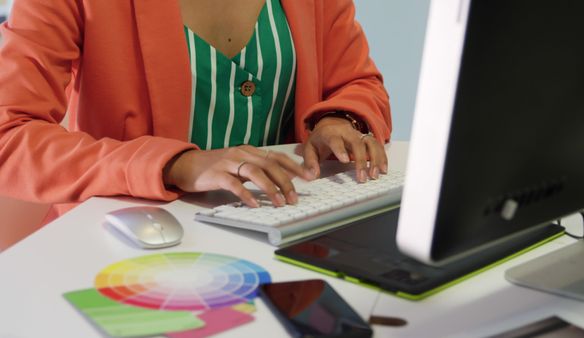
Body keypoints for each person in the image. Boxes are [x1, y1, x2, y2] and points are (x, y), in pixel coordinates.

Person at [0, 0, 391, 223]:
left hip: (289, 230)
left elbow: (357, 82)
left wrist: (339, 119)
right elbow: (10, 134)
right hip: (127, 246)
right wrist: (174, 165)